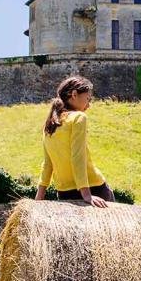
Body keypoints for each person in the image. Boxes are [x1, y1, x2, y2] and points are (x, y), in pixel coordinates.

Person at [35, 75, 115, 208]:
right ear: (74, 94)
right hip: (93, 187)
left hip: (64, 192)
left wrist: (39, 196)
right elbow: (78, 157)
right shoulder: (79, 118)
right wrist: (86, 195)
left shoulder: (50, 125)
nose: (88, 105)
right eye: (87, 99)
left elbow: (48, 164)